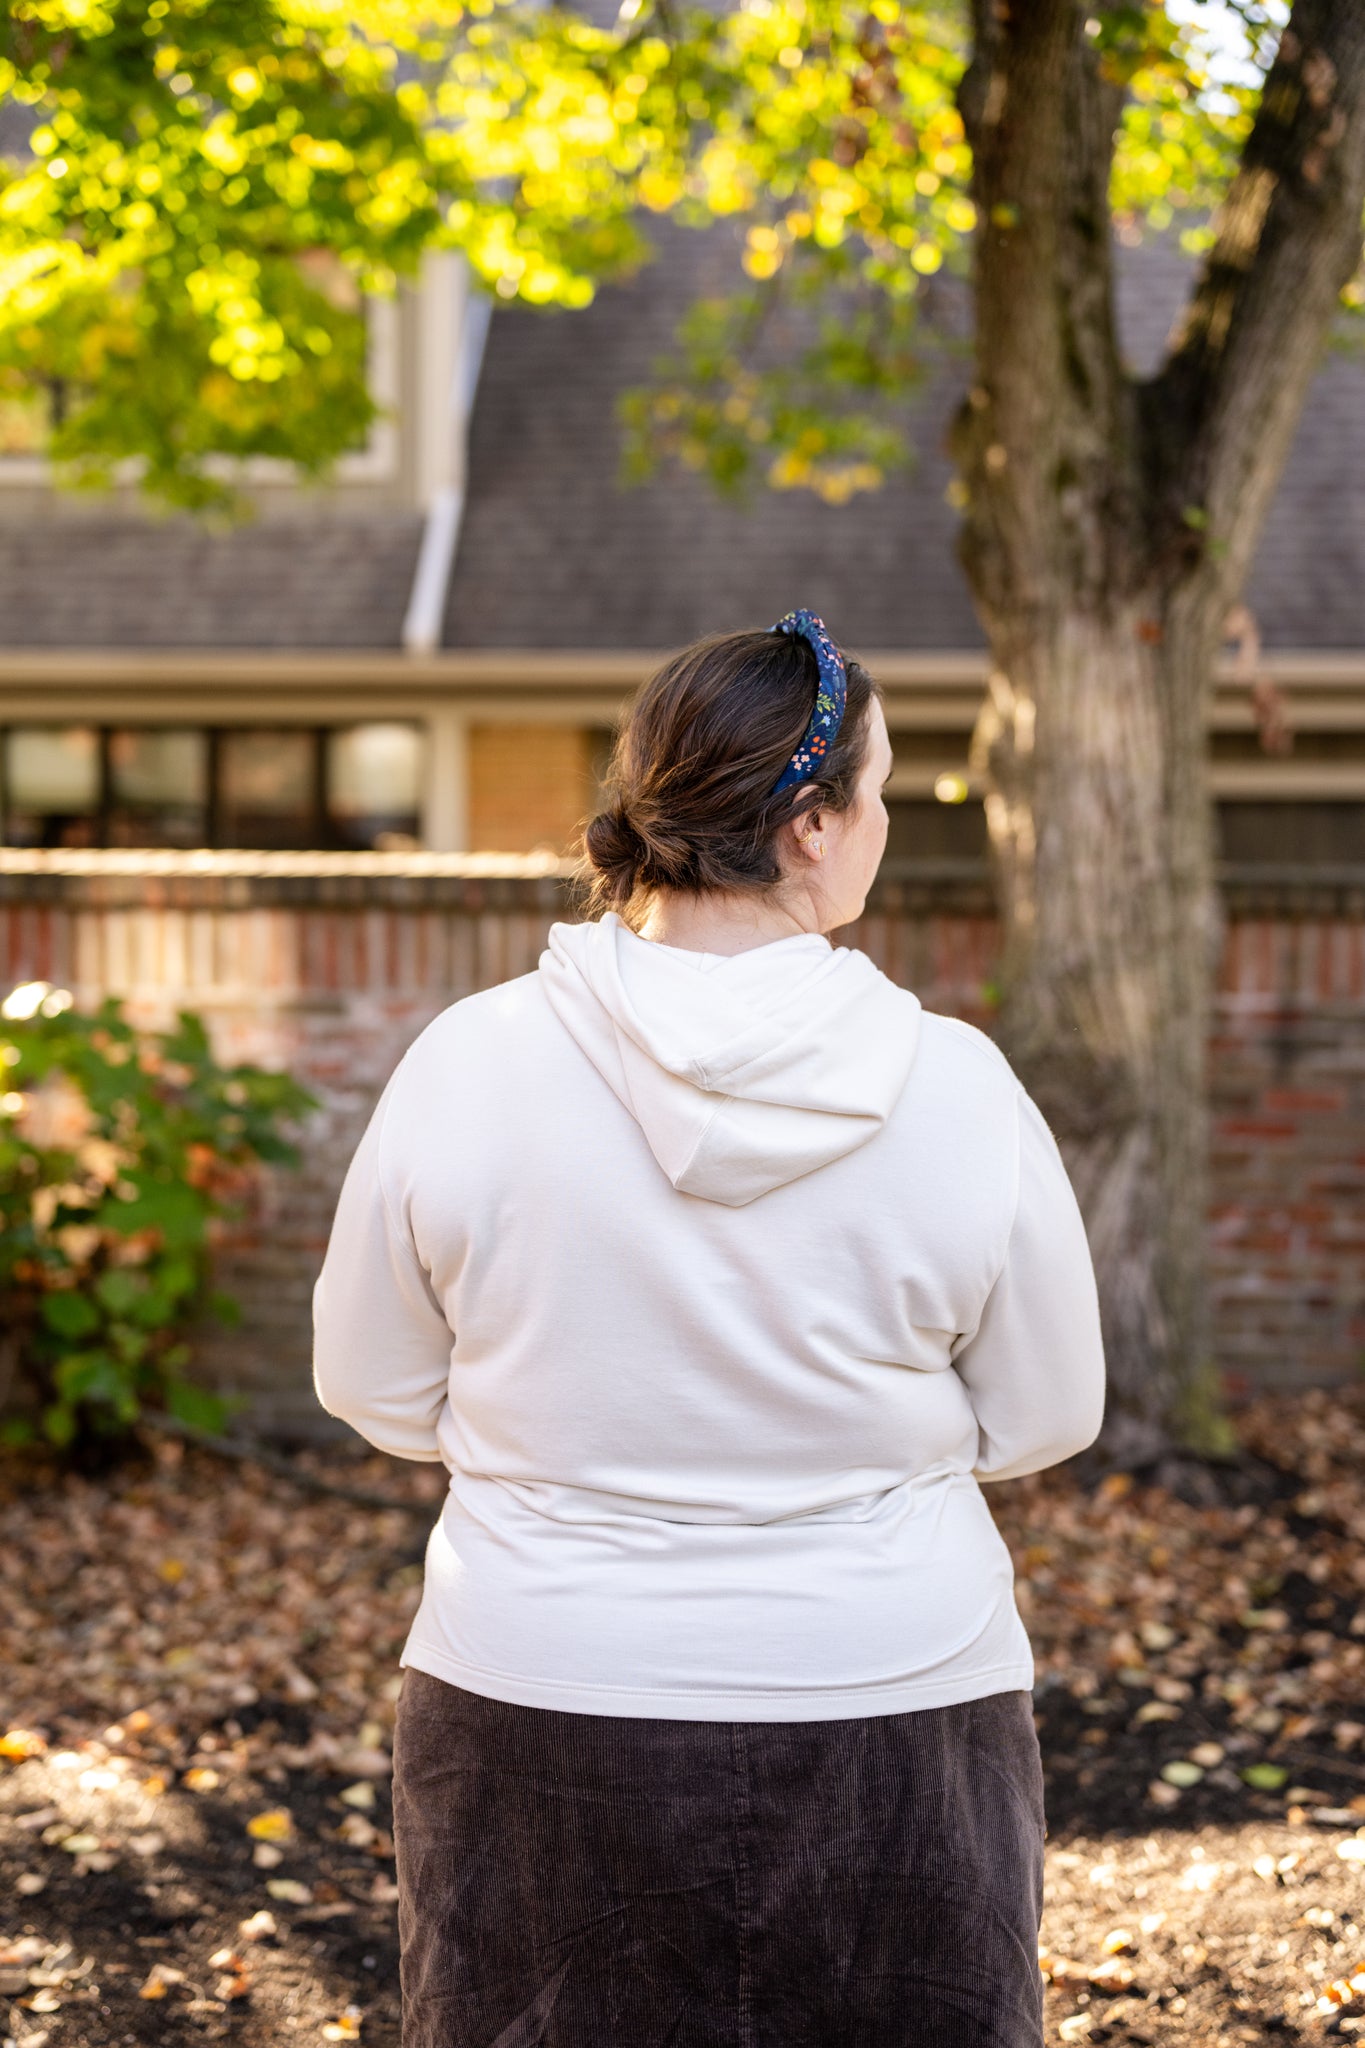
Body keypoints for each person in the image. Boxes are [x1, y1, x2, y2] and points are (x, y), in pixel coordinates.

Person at [312, 609, 1107, 2048]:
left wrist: (566, 1441)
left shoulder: (469, 1063)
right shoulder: (959, 1087)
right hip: (896, 1693)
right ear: (809, 825)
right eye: (873, 794)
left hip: (536, 1684)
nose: (881, 824)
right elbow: (1047, 1412)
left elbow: (367, 1380)